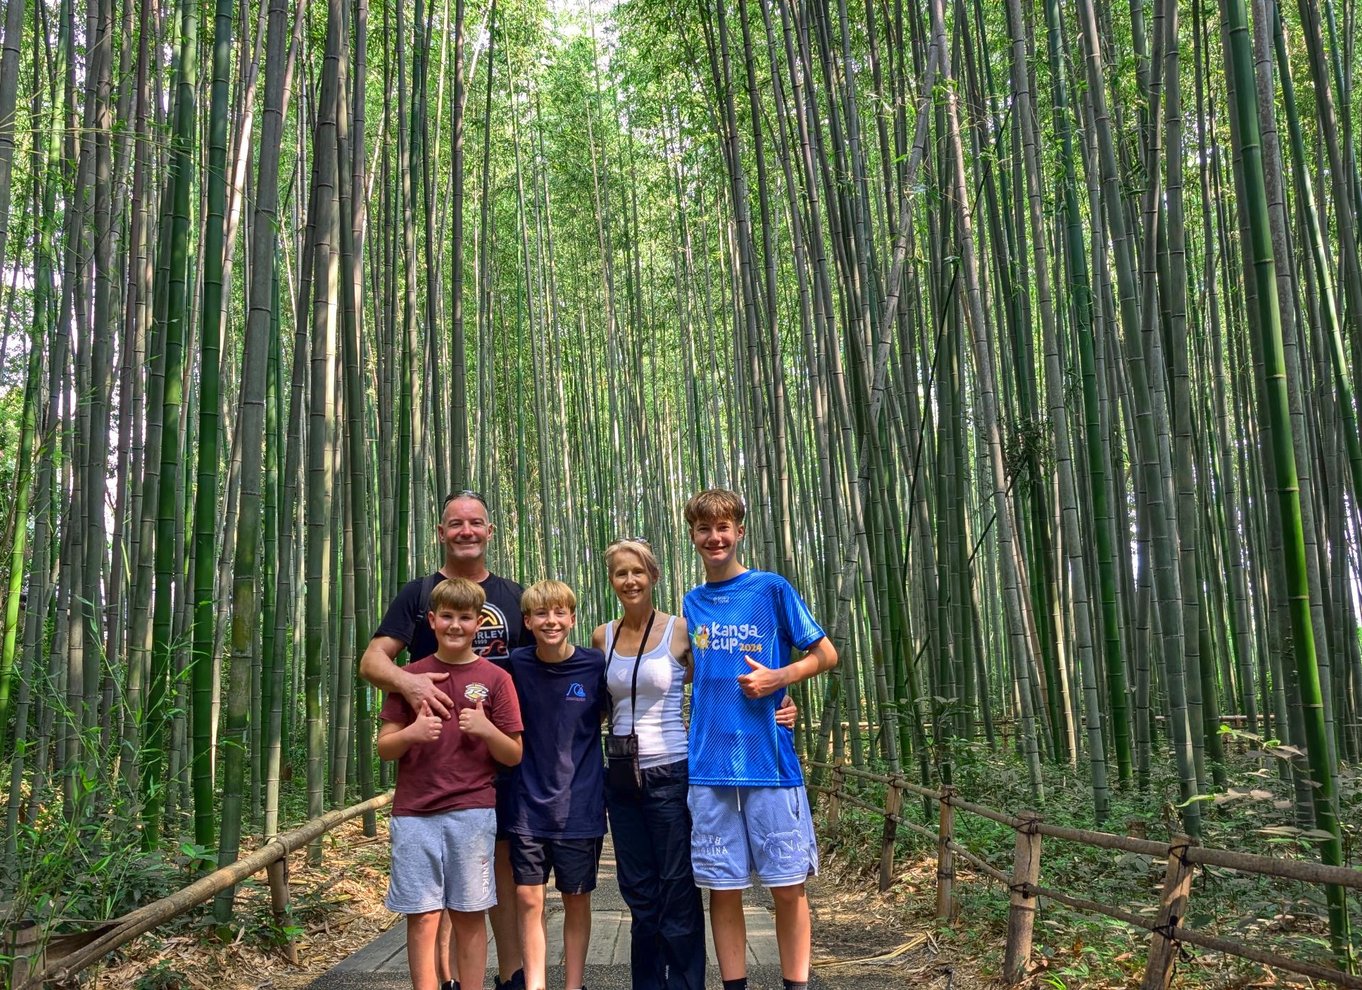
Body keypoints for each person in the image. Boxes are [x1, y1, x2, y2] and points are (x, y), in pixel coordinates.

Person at [591, 539, 798, 990]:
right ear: (611, 580)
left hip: (672, 769)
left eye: (637, 572)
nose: (629, 581)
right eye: (620, 573)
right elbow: (598, 706)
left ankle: (686, 984)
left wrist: (781, 695)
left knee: (677, 888)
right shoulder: (599, 637)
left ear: (653, 577)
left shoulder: (683, 629)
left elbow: (722, 676)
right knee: (639, 893)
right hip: (622, 775)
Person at [362, 490, 530, 990]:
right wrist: (408, 683)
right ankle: (445, 980)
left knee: (492, 872)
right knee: (433, 897)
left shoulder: (514, 596)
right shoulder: (417, 595)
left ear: (489, 531)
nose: (466, 531)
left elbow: (546, 657)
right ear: (441, 532)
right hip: (433, 763)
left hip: (498, 746)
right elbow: (372, 661)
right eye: (455, 523)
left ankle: (511, 974)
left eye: (476, 522)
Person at [681, 489, 838, 990]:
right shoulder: (691, 603)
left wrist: (780, 679)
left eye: (723, 527)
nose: (715, 537)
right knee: (721, 891)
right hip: (709, 766)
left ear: (739, 531)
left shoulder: (770, 589)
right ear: (693, 537)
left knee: (788, 887)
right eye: (704, 530)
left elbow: (826, 654)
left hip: (770, 763)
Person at [507, 580, 608, 990]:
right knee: (529, 899)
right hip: (527, 804)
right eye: (541, 614)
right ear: (527, 621)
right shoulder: (514, 664)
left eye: (559, 613)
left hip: (579, 805)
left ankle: (573, 984)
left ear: (572, 618)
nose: (551, 621)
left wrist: (779, 701)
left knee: (575, 898)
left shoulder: (594, 664)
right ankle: (535, 984)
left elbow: (624, 705)